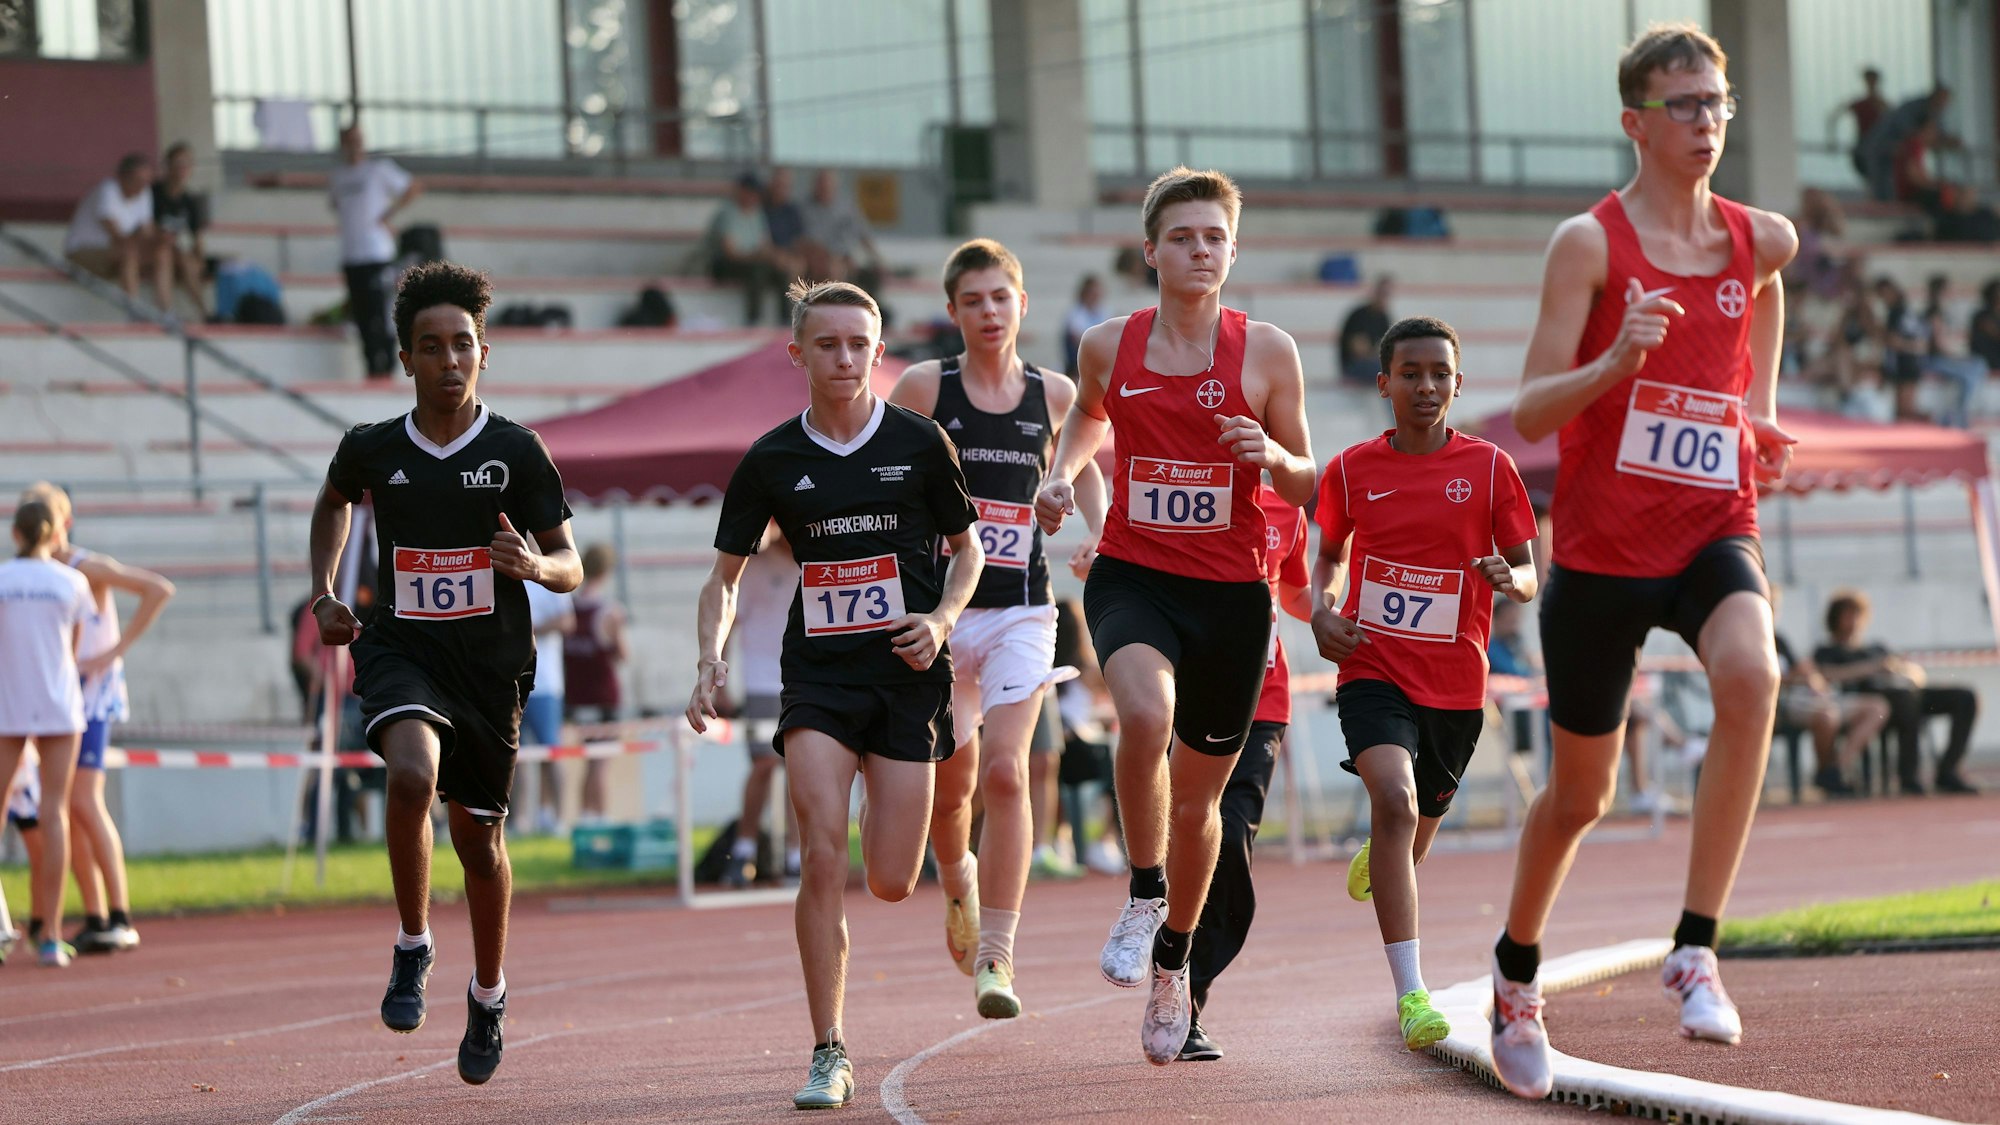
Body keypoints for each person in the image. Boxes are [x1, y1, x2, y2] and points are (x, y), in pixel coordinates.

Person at [1488, 24, 1800, 1100]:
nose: (1705, 122)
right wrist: (1617, 358)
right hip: (1601, 551)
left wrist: (1754, 410)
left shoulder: (1760, 238)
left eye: (1716, 103)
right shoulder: (1587, 244)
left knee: (1752, 676)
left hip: (1714, 523)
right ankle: (1515, 974)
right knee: (1580, 795)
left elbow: (1763, 293)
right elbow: (1528, 406)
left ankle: (1695, 947)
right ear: (1634, 121)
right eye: (1683, 105)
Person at [1036, 166, 1315, 1066]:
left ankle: (1174, 962)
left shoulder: (1269, 352)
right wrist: (1058, 471)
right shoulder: (1108, 344)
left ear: (1234, 251)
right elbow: (1085, 420)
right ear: (1151, 250)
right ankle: (1144, 889)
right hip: (1132, 573)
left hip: (1231, 596)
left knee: (1197, 803)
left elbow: (1308, 479)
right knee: (1143, 716)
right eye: (1183, 236)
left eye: (1215, 238)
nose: (1200, 250)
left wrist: (1269, 450)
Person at [686, 279, 983, 1109]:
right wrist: (709, 659)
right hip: (816, 677)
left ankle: (939, 861)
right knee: (820, 851)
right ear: (798, 354)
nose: (845, 358)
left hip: (906, 679)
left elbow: (970, 553)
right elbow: (724, 579)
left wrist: (944, 616)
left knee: (890, 876)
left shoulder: (922, 444)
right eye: (828, 344)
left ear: (878, 352)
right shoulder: (773, 459)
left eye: (860, 343)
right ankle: (829, 1049)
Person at [308, 261, 580, 1085]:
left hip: (490, 668)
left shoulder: (517, 451)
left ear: (484, 353)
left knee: (478, 840)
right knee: (409, 775)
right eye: (431, 347)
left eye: (463, 344)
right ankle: (413, 943)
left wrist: (534, 565)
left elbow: (571, 564)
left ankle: (489, 991)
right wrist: (322, 591)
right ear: (407, 359)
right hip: (401, 649)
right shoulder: (373, 448)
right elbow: (334, 500)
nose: (449, 359)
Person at [888, 238, 1106, 1019]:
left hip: (1021, 608)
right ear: (952, 311)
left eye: (1000, 297)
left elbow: (1085, 469)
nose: (988, 311)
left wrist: (1097, 534)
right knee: (954, 791)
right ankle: (960, 887)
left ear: (1021, 305)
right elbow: (885, 473)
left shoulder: (1054, 393)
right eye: (972, 299)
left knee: (1010, 774)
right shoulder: (922, 387)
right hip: (944, 616)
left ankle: (998, 956)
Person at [1312, 316, 1540, 1052]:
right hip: (1372, 665)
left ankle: (1382, 854)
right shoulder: (1349, 469)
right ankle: (1413, 992)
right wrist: (1321, 608)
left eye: (1439, 373)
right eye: (1410, 373)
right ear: (1384, 384)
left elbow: (1529, 568)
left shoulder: (1491, 467)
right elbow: (1330, 558)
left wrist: (1517, 580)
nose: (1426, 385)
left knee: (1415, 822)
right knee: (1395, 800)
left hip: (1455, 684)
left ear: (1458, 382)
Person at [1178, 478, 1313, 1061]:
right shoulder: (1186, 485)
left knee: (1230, 837)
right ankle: (1168, 960)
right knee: (1186, 834)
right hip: (1186, 698)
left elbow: (1301, 594)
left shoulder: (1289, 505)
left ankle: (1188, 993)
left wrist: (1354, 613)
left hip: (1263, 701)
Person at [17, 483, 175, 954]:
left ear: (62, 521)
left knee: (83, 800)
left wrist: (112, 652)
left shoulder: (85, 566)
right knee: (64, 807)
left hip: (91, 698)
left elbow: (157, 588)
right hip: (57, 698)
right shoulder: (36, 573)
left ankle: (120, 914)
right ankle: (95, 913)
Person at [0, 500, 93, 967]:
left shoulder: (2, 578)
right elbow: (72, 650)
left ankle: (3, 926)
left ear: (16, 533)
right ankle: (51, 938)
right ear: (56, 534)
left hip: (8, 702)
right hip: (58, 703)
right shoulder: (72, 581)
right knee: (54, 811)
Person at [1814, 589, 1978, 795]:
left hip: (1908, 690)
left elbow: (1913, 672)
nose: (1853, 621)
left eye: (1857, 615)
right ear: (1835, 618)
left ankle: (1948, 769)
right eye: (1848, 615)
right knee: (1906, 703)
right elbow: (1827, 675)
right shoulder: (1828, 651)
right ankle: (1908, 776)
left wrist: (1902, 670)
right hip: (1879, 698)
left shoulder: (1876, 647)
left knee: (1965, 697)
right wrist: (1872, 668)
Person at [720, 524, 798, 888]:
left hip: (802, 683)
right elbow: (727, 622)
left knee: (800, 770)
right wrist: (719, 679)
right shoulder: (755, 566)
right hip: (762, 683)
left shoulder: (814, 562)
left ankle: (797, 855)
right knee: (764, 765)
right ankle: (745, 848)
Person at [329, 124, 422, 380]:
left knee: (379, 313)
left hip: (376, 253)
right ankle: (372, 366)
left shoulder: (378, 170)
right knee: (360, 314)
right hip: (352, 255)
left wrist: (389, 215)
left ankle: (386, 365)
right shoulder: (338, 176)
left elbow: (412, 186)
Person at [561, 543, 627, 826]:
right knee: (602, 761)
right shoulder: (609, 612)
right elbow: (622, 654)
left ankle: (586, 815)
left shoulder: (569, 608)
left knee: (589, 758)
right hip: (603, 697)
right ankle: (599, 816)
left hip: (578, 697)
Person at [64, 153, 171, 312]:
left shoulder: (144, 192)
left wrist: (161, 239)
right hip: (82, 252)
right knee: (129, 253)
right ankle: (133, 311)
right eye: (138, 180)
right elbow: (118, 237)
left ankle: (165, 312)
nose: (142, 186)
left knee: (163, 252)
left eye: (146, 181)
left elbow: (147, 232)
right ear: (123, 177)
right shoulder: (107, 190)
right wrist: (145, 238)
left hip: (117, 253)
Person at [521, 580, 574, 835]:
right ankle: (519, 819)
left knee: (551, 751)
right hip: (513, 682)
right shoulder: (506, 577)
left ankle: (559, 817)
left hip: (545, 683)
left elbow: (567, 621)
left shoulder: (549, 578)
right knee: (515, 755)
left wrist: (530, 629)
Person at [706, 173, 784, 327]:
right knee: (757, 271)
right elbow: (730, 252)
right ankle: (753, 320)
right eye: (751, 192)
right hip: (723, 264)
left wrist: (776, 258)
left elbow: (765, 245)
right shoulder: (728, 213)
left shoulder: (757, 214)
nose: (754, 197)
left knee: (781, 273)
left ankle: (786, 321)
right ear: (741, 191)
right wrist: (757, 256)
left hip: (751, 262)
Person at [150, 141, 211, 320]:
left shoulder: (190, 201)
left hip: (177, 252)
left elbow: (196, 237)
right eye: (178, 164)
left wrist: (200, 259)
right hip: (153, 250)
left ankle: (204, 312)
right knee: (165, 253)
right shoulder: (153, 193)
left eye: (187, 164)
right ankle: (165, 311)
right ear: (167, 166)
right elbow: (145, 227)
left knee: (187, 259)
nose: (182, 169)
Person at [800, 168, 880, 285]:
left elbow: (863, 233)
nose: (824, 189)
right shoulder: (804, 208)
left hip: (844, 256)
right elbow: (806, 239)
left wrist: (877, 260)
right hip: (816, 258)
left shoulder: (846, 207)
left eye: (828, 185)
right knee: (833, 269)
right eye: (821, 185)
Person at [1833, 68, 1889, 183]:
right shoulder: (1860, 103)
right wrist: (1833, 139)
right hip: (1863, 146)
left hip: (1878, 148)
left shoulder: (1883, 105)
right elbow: (1835, 116)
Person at [1338, 276, 1393, 386]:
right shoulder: (1360, 315)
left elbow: (1387, 348)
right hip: (1352, 366)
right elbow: (1359, 351)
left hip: (1370, 364)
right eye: (1382, 293)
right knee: (1388, 373)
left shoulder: (1383, 318)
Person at [1066, 274, 1109, 376]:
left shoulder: (1104, 312)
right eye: (1093, 292)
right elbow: (1078, 339)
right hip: (1081, 360)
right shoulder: (1075, 314)